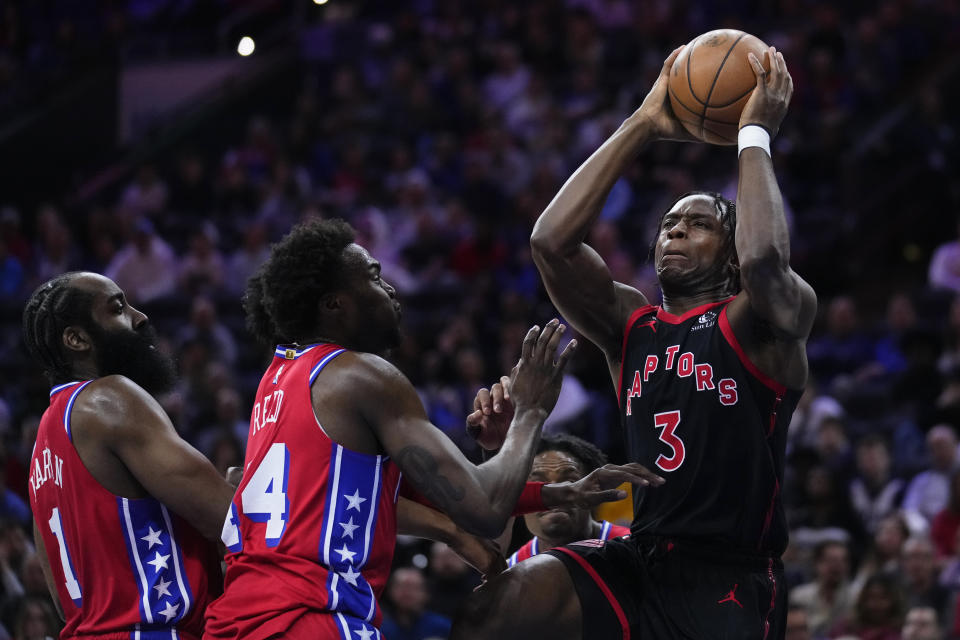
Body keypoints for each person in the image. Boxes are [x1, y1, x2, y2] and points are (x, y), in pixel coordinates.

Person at [452, 43, 816, 640]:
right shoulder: (632, 326)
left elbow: (766, 258)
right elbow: (550, 243)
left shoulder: (764, 320)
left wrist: (754, 134)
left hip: (729, 575)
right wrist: (643, 122)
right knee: (495, 610)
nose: (674, 230)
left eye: (697, 224)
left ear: (727, 250)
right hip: (639, 558)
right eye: (669, 223)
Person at [203, 219, 660, 640]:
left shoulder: (278, 380)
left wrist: (554, 493)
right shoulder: (362, 375)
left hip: (237, 618)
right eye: (374, 277)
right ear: (334, 303)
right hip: (308, 618)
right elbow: (482, 509)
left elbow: (409, 499)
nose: (391, 289)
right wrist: (531, 410)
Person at [22, 272, 235, 639]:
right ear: (76, 339)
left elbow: (62, 599)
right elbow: (230, 519)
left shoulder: (42, 445)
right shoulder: (110, 398)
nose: (140, 317)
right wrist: (237, 489)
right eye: (118, 308)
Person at [505, 434, 630, 567]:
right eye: (539, 486)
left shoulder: (633, 548)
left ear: (596, 492)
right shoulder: (510, 570)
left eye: (568, 482)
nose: (555, 496)